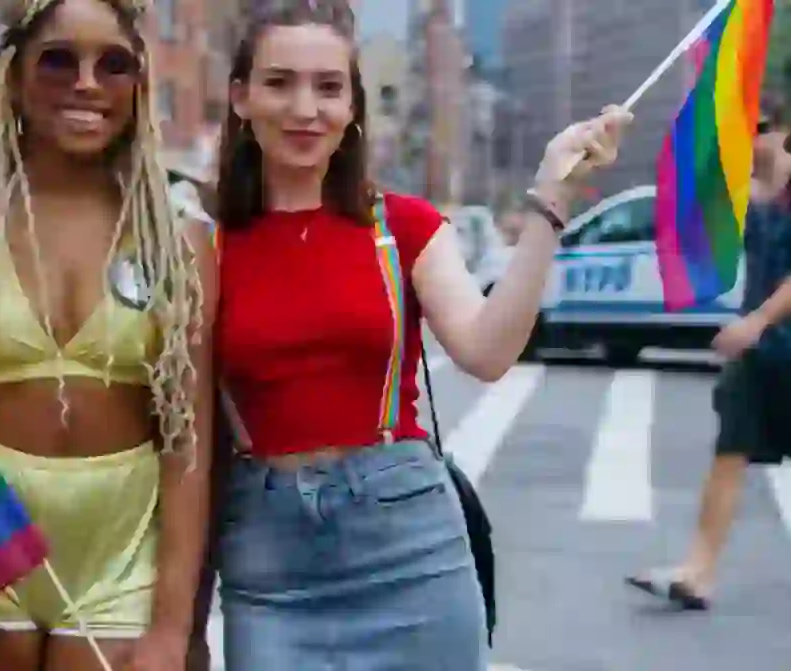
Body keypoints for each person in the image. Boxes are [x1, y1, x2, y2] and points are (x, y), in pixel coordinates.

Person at [210, 3, 629, 669]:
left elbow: (488, 351)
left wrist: (551, 202)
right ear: (240, 96)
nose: (304, 108)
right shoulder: (202, 239)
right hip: (269, 562)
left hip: (408, 546)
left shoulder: (401, 225)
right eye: (278, 82)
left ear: (352, 104)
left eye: (328, 87)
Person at [0, 1, 215, 670]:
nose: (87, 83)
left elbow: (189, 441)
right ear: (13, 76)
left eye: (114, 65)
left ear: (139, 86)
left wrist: (173, 624)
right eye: (58, 61)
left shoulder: (178, 242)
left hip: (122, 552)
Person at [626, 105, 791, 610]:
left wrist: (758, 321)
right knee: (729, 452)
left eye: (761, 130)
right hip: (761, 357)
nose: (751, 139)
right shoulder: (756, 200)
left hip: (770, 340)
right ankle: (697, 573)